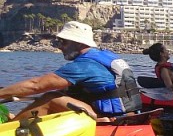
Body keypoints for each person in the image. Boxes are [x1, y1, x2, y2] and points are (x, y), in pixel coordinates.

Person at [0, 21, 141, 121]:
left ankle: (12, 128)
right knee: (63, 93)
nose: (60, 47)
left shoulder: (84, 65)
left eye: (64, 42)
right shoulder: (105, 55)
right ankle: (20, 118)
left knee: (50, 98)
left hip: (113, 120)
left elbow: (36, 84)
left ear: (79, 43)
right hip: (127, 114)